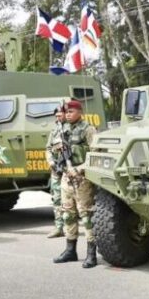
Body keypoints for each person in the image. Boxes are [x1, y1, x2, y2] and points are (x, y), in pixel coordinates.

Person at [53, 99, 99, 268]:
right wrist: (57, 150)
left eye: (71, 111)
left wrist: (80, 169)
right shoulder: (63, 129)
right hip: (66, 177)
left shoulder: (88, 129)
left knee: (86, 215)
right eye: (66, 112)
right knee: (67, 214)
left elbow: (97, 156)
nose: (68, 114)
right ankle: (70, 250)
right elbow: (55, 150)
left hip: (82, 179)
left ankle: (91, 254)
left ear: (80, 112)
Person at [45, 105, 67, 238]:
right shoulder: (54, 131)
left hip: (70, 170)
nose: (57, 118)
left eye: (60, 115)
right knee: (57, 198)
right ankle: (59, 227)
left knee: (77, 201)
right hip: (56, 169)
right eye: (56, 116)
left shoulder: (72, 129)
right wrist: (51, 161)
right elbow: (48, 148)